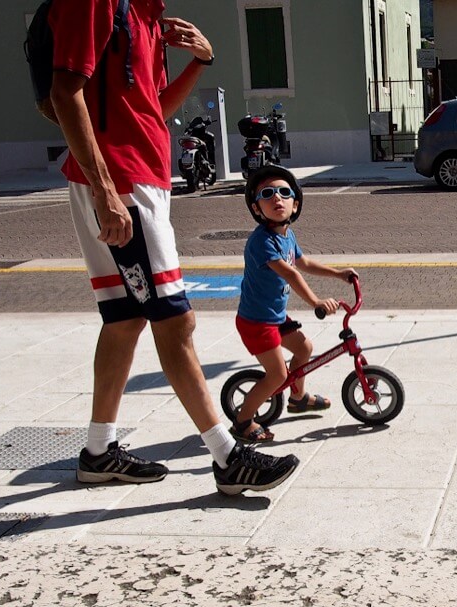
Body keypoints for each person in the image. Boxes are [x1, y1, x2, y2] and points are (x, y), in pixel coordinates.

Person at [46, 0, 298, 495]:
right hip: (120, 182)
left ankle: (98, 452)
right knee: (175, 318)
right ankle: (228, 458)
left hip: (139, 178)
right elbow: (64, 91)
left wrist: (199, 63)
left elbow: (150, 111)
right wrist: (104, 192)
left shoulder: (145, 16)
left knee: (124, 319)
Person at [232, 165, 356, 442]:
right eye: (267, 194)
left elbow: (303, 263)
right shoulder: (261, 242)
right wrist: (316, 301)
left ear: (295, 203)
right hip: (256, 321)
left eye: (284, 193)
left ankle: (298, 398)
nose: (277, 198)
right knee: (276, 375)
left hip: (274, 316)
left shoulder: (287, 236)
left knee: (304, 347)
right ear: (256, 208)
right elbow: (290, 273)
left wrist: (338, 274)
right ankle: (242, 422)